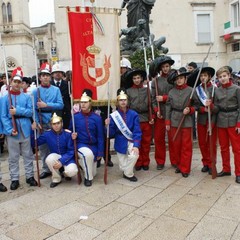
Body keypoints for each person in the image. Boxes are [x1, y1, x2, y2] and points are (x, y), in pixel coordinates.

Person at [1, 67, 38, 190]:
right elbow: (3, 116)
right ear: (11, 82)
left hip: (25, 128)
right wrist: (8, 129)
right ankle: (14, 178)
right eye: (14, 81)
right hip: (12, 130)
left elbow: (30, 112)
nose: (17, 84)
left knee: (28, 154)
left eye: (19, 82)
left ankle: (29, 176)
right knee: (13, 156)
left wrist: (18, 111)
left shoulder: (27, 97)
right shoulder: (4, 98)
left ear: (22, 83)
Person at [32, 62, 64, 180]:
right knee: (43, 147)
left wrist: (46, 105)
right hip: (41, 122)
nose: (45, 77)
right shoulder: (35, 91)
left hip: (54, 120)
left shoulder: (56, 90)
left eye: (47, 75)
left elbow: (60, 105)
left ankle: (59, 166)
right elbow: (33, 109)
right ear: (40, 77)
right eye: (43, 75)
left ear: (50, 77)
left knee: (57, 144)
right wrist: (36, 121)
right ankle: (46, 169)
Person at [165, 69, 199, 178]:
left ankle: (186, 168)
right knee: (176, 145)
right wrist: (167, 122)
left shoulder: (191, 91)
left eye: (181, 78)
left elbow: (198, 105)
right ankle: (179, 165)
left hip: (187, 121)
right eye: (177, 79)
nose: (179, 80)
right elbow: (168, 108)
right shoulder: (171, 92)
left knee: (186, 146)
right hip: (175, 120)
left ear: (185, 79)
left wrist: (190, 109)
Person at [105, 88, 142, 182]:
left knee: (134, 155)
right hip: (120, 142)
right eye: (121, 100)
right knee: (122, 167)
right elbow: (111, 134)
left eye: (124, 100)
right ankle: (126, 171)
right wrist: (107, 125)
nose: (123, 102)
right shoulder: (113, 116)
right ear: (117, 102)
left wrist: (136, 145)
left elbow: (137, 131)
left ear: (127, 101)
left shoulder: (134, 114)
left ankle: (128, 174)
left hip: (131, 141)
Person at [70, 89, 104, 187]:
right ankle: (88, 178)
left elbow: (100, 136)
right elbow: (69, 131)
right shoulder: (75, 117)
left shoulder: (97, 118)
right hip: (80, 145)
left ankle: (83, 166)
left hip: (93, 146)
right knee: (88, 155)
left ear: (90, 103)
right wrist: (72, 135)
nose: (83, 104)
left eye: (85, 102)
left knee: (94, 172)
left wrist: (100, 152)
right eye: (81, 102)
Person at [213, 66, 240, 183]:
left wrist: (239, 124)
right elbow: (216, 109)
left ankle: (238, 173)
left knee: (237, 149)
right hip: (221, 121)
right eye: (220, 77)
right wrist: (209, 105)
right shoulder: (217, 90)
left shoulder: (237, 89)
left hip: (234, 121)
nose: (222, 78)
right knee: (223, 148)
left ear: (229, 76)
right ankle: (226, 169)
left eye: (224, 76)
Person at [36, 113, 78, 188]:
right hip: (55, 157)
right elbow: (35, 143)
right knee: (49, 159)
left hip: (67, 158)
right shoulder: (47, 134)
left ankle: (65, 173)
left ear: (61, 123)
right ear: (51, 125)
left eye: (58, 123)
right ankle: (56, 178)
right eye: (54, 124)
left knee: (72, 171)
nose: (56, 125)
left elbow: (71, 151)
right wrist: (33, 130)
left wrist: (62, 161)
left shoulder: (68, 134)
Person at [150, 56, 175, 170]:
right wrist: (156, 110)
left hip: (172, 113)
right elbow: (153, 99)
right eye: (163, 67)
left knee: (172, 138)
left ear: (170, 67)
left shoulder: (174, 79)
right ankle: (160, 161)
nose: (165, 69)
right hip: (160, 114)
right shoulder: (156, 81)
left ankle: (175, 161)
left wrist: (164, 98)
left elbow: (176, 96)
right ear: (160, 68)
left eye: (167, 66)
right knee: (159, 138)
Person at [126, 69, 153, 171]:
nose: (136, 80)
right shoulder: (128, 91)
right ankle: (138, 162)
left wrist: (152, 117)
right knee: (136, 143)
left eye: (138, 78)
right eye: (134, 78)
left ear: (142, 79)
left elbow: (152, 104)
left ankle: (145, 161)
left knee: (146, 143)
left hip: (146, 119)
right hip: (135, 120)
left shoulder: (147, 90)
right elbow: (127, 107)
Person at [195, 67, 217, 174]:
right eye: (201, 76)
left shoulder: (214, 89)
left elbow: (217, 108)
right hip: (201, 120)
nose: (203, 78)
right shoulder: (197, 89)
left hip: (211, 120)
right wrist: (203, 109)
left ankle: (212, 164)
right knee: (202, 143)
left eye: (205, 76)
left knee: (211, 144)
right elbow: (195, 105)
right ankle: (205, 163)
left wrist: (211, 107)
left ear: (209, 77)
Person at [51, 63, 71, 129]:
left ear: (62, 74)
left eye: (59, 72)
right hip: (54, 112)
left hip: (65, 112)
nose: (57, 74)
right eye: (55, 72)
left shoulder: (68, 84)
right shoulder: (49, 85)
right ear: (52, 74)